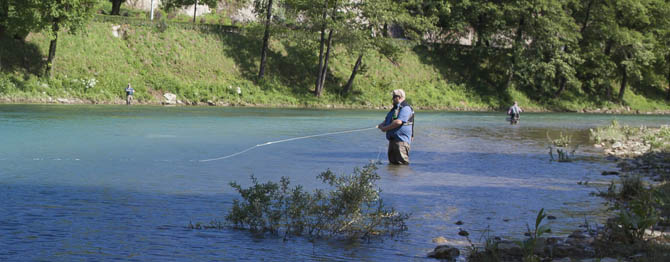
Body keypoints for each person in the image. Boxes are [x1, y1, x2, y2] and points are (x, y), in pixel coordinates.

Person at [377, 89, 414, 165]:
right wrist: (381, 125)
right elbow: (387, 120)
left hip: (401, 142)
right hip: (393, 141)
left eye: (394, 97)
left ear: (399, 97)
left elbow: (398, 122)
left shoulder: (405, 108)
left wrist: (385, 129)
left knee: (402, 166)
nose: (392, 99)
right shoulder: (395, 109)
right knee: (392, 165)